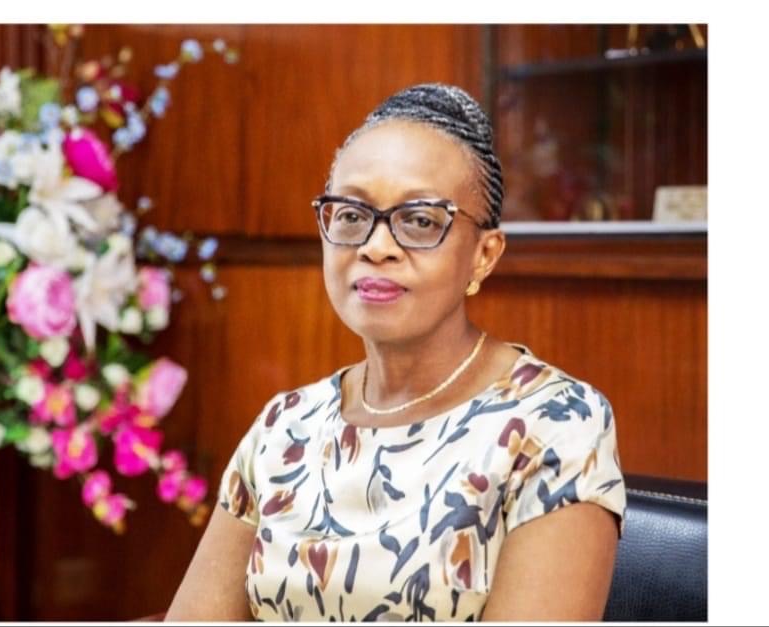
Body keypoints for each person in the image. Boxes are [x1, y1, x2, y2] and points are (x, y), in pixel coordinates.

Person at [166, 83, 626, 622]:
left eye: (420, 220)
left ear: (484, 255)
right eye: (351, 215)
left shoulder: (555, 424)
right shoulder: (285, 427)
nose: (375, 246)